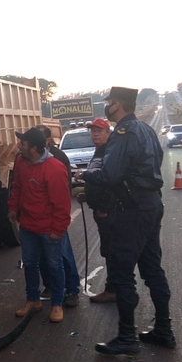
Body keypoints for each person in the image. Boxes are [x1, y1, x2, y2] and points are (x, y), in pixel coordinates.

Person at [76, 87, 175, 355]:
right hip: (151, 202)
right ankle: (164, 330)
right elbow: (158, 160)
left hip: (132, 209)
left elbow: (110, 174)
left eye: (109, 102)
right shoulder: (146, 130)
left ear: (116, 104)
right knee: (152, 267)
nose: (107, 105)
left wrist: (84, 175)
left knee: (120, 270)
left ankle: (127, 337)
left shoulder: (122, 133)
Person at [8, 127, 71, 323]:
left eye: (23, 143)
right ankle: (33, 300)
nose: (20, 146)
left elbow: (62, 203)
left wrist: (58, 230)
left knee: (54, 265)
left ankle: (57, 304)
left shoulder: (54, 168)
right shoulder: (21, 161)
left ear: (34, 148)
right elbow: (17, 186)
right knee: (29, 264)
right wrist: (12, 207)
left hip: (48, 229)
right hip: (28, 226)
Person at [35, 125, 81, 307]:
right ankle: (51, 286)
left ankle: (72, 290)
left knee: (63, 254)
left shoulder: (58, 157)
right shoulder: (29, 157)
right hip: (37, 218)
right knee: (41, 257)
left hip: (54, 217)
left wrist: (61, 219)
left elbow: (64, 189)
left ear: (46, 140)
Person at [76, 118, 117, 303]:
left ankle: (113, 289)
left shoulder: (109, 152)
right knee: (108, 249)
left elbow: (110, 182)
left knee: (111, 250)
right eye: (93, 130)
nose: (95, 134)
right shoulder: (99, 151)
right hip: (102, 209)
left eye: (99, 130)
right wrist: (87, 195)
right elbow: (97, 182)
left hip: (109, 212)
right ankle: (115, 287)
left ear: (108, 133)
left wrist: (104, 207)